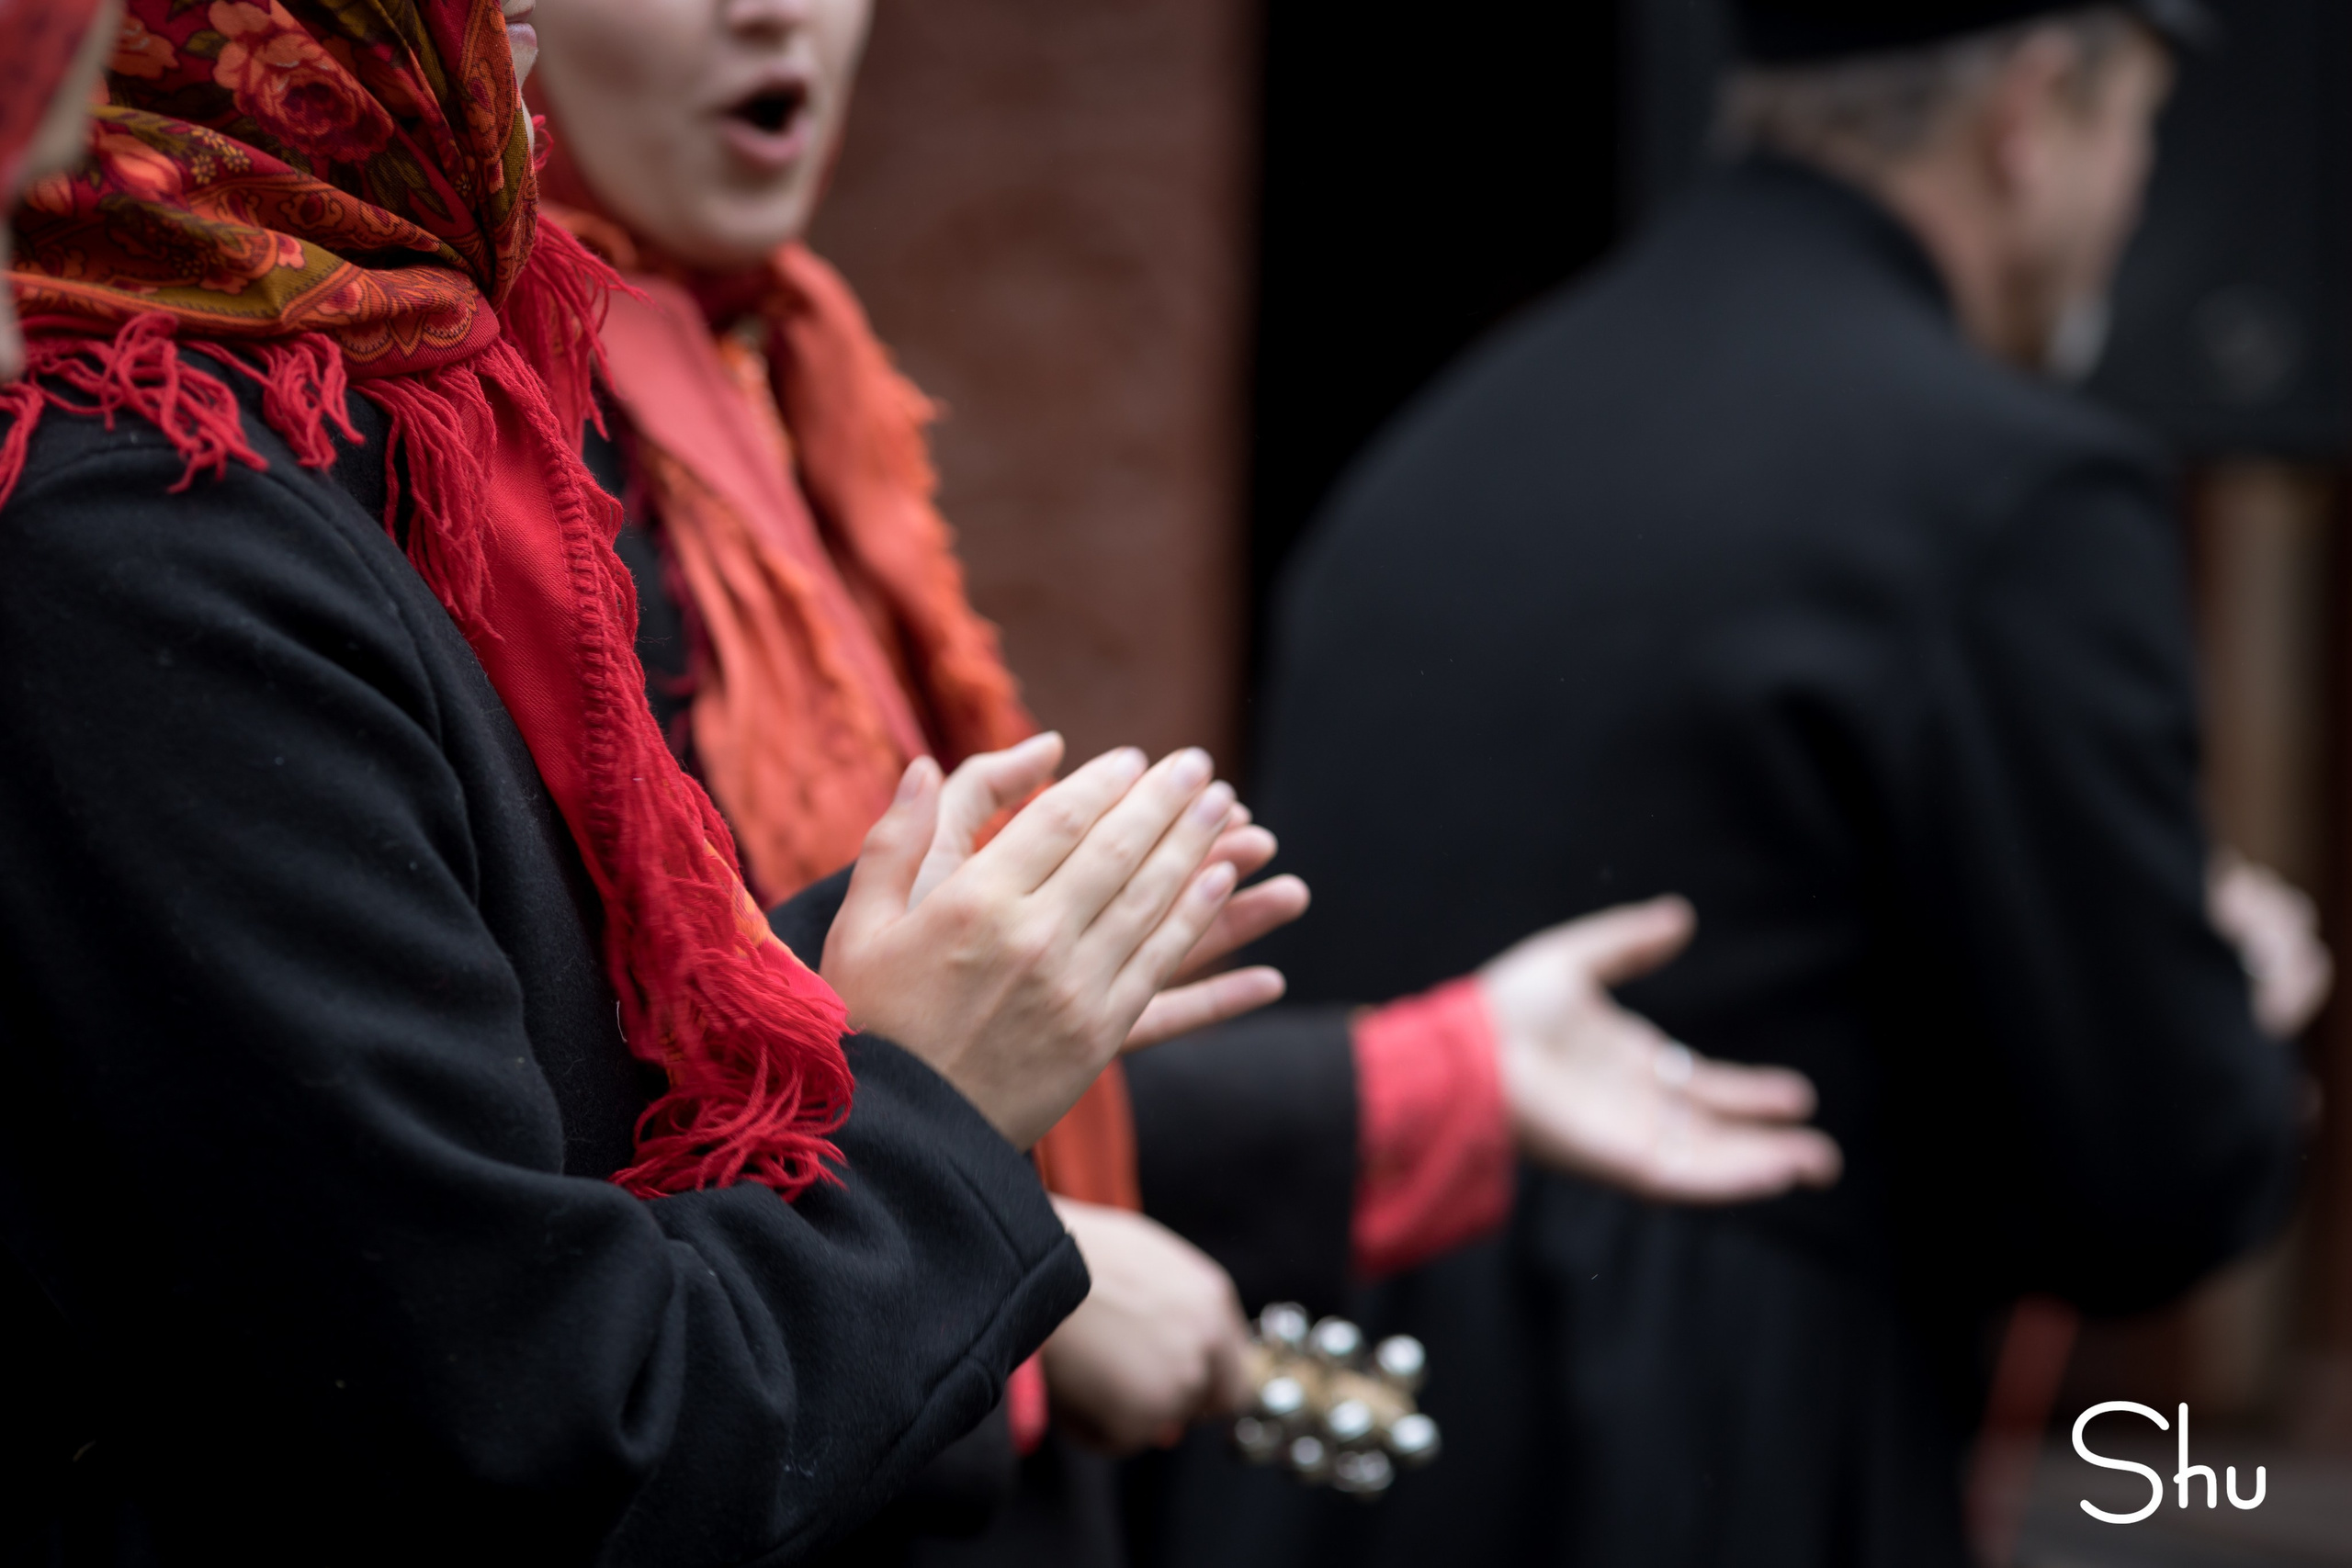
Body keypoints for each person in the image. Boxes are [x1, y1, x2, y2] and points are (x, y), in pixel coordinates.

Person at [523, 1, 1844, 1560]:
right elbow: (568, 1207)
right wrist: (1001, 1273)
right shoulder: (493, 468)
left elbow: (903, 1061)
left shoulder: (779, 378)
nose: (776, 10)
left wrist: (1455, 1077)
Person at [0, 3, 1263, 1561]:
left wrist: (858, 988)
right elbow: (525, 1433)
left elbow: (483, 1088)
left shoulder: (413, 412)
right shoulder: (149, 511)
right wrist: (931, 1104)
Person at [1154, 4, 2313, 1566]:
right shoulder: (2017, 489)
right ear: (2031, 115)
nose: (2132, 199)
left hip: (1320, 1452)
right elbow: (2151, 1181)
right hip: (1702, 1456)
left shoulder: (1453, 430)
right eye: (2139, 132)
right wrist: (2215, 991)